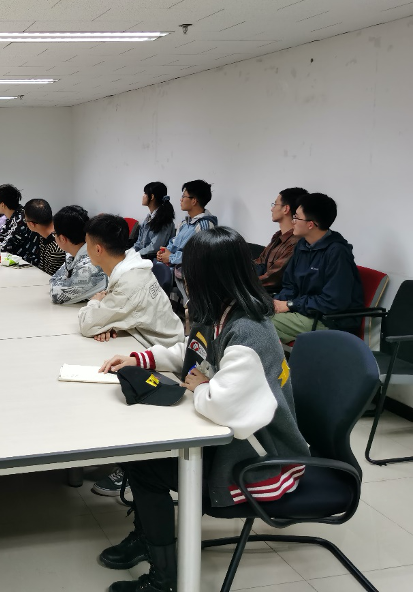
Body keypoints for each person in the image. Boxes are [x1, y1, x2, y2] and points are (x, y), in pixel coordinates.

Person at [98, 227, 310, 592]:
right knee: (141, 459)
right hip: (239, 443)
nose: (183, 276)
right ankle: (149, 539)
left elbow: (222, 406)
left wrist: (202, 387)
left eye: (188, 270)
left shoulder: (249, 332)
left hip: (262, 461)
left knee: (148, 469)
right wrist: (140, 358)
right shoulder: (220, 311)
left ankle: (164, 579)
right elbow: (192, 354)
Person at [78, 214, 184, 347]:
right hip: (150, 339)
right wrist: (107, 323)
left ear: (98, 249)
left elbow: (87, 324)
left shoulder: (129, 284)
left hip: (163, 350)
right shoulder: (130, 265)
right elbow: (109, 315)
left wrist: (95, 302)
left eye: (87, 244)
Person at [272, 193, 363, 343]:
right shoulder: (302, 245)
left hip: (328, 320)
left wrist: (290, 305)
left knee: (261, 325)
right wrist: (275, 303)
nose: (293, 222)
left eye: (296, 217)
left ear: (310, 224)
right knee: (251, 314)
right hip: (303, 311)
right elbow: (290, 285)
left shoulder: (337, 253)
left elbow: (333, 302)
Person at [157, 180, 217, 304]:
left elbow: (199, 256)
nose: (181, 199)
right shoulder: (185, 223)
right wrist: (164, 252)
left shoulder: (205, 225)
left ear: (194, 201)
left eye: (184, 196)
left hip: (193, 276)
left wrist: (171, 257)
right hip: (179, 271)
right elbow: (174, 242)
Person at [49, 205, 107, 305]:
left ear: (62, 238)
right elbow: (53, 279)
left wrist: (63, 281)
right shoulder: (72, 255)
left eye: (54, 233)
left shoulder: (90, 266)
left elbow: (56, 294)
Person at [255, 187, 309, 291]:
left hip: (273, 294)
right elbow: (259, 262)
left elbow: (272, 279)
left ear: (286, 209)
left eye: (275, 204)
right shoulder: (278, 236)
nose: (272, 209)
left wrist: (240, 283)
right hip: (259, 288)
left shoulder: (297, 242)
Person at [132, 182, 177, 259]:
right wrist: (129, 253)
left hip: (153, 260)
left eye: (145, 193)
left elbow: (155, 247)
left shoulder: (164, 220)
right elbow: (139, 243)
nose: (143, 196)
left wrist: (135, 255)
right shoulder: (148, 218)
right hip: (142, 256)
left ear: (152, 197)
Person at [23, 198, 66, 276]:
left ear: (32, 224)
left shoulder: (57, 246)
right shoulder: (44, 235)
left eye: (25, 220)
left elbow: (50, 277)